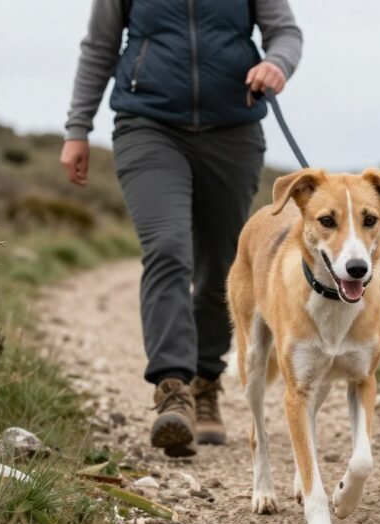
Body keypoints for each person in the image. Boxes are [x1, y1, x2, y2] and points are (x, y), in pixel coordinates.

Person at [60, 0, 302, 457]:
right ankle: (173, 389)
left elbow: (285, 32)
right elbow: (99, 47)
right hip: (148, 127)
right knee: (168, 248)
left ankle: (207, 379)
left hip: (233, 131)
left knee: (221, 266)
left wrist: (276, 62)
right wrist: (78, 129)